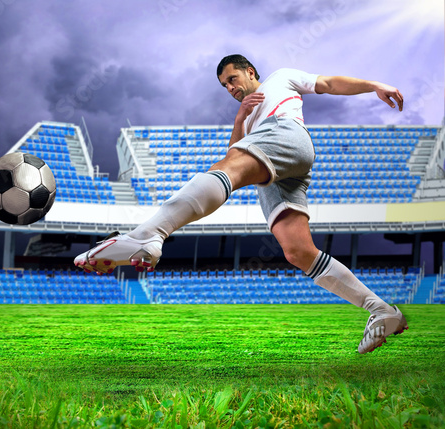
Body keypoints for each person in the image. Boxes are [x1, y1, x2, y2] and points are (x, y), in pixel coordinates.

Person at [74, 54, 408, 354]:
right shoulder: (246, 118)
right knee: (298, 252)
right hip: (277, 172)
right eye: (224, 86)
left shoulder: (281, 78)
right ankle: (381, 310)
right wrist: (240, 119)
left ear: (250, 72)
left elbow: (327, 83)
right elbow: (234, 152)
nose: (230, 87)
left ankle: (150, 233)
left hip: (284, 135)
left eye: (233, 79)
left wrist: (373, 85)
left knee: (227, 169)